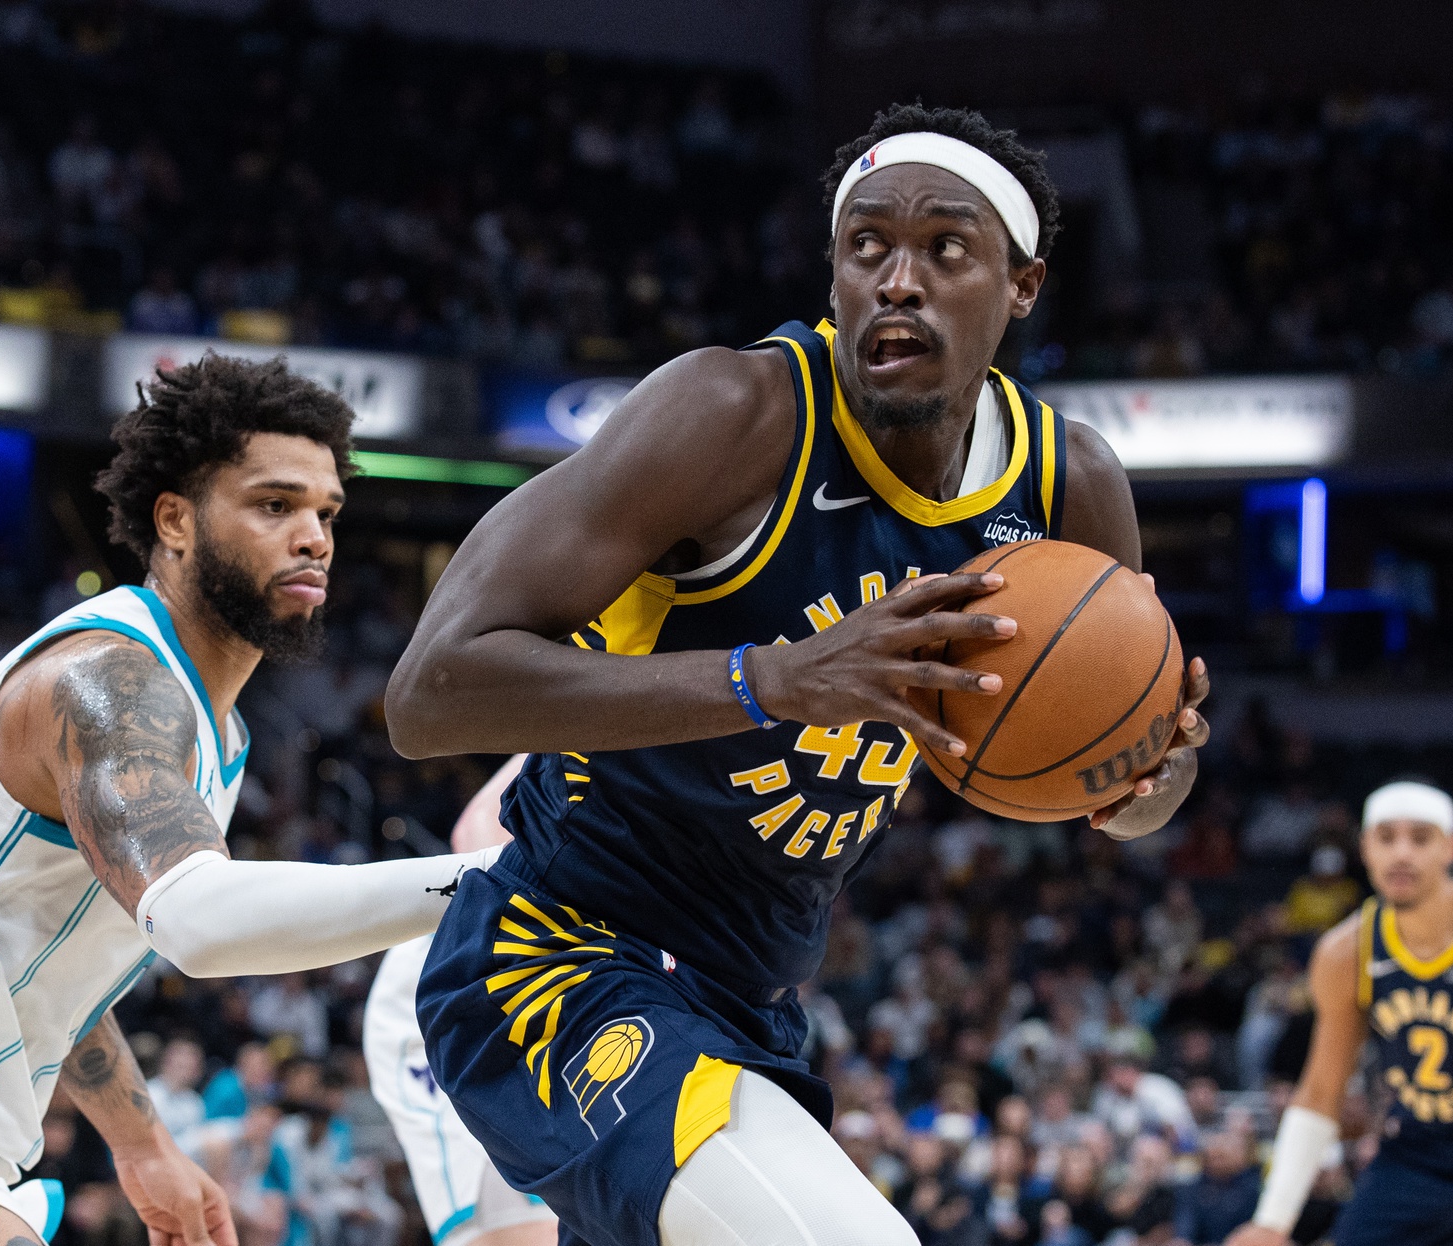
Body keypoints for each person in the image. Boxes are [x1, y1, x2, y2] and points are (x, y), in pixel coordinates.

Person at [388, 102, 1209, 1246]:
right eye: (867, 246)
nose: (898, 280)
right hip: (560, 954)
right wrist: (769, 680)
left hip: (753, 1003)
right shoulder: (732, 415)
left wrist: (1152, 768)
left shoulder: (1066, 483)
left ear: (1022, 285)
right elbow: (427, 695)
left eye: (946, 248)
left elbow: (1125, 805)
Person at [0, 355, 499, 1246]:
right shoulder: (111, 681)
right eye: (275, 505)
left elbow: (55, 962)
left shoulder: (214, 731)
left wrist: (143, 1143)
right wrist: (490, 880)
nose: (314, 538)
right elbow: (200, 925)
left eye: (326, 513)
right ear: (176, 520)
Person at [1226, 780, 1453, 1246]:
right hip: (1414, 1159)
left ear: (1451, 847)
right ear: (1364, 849)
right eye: (1386, 838)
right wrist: (1272, 1221)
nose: (1401, 853)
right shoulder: (1346, 951)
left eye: (1420, 838)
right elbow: (1322, 1091)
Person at [364, 754, 558, 1246]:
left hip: (525, 982)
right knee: (525, 1224)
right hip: (459, 975)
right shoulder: (600, 742)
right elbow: (475, 832)